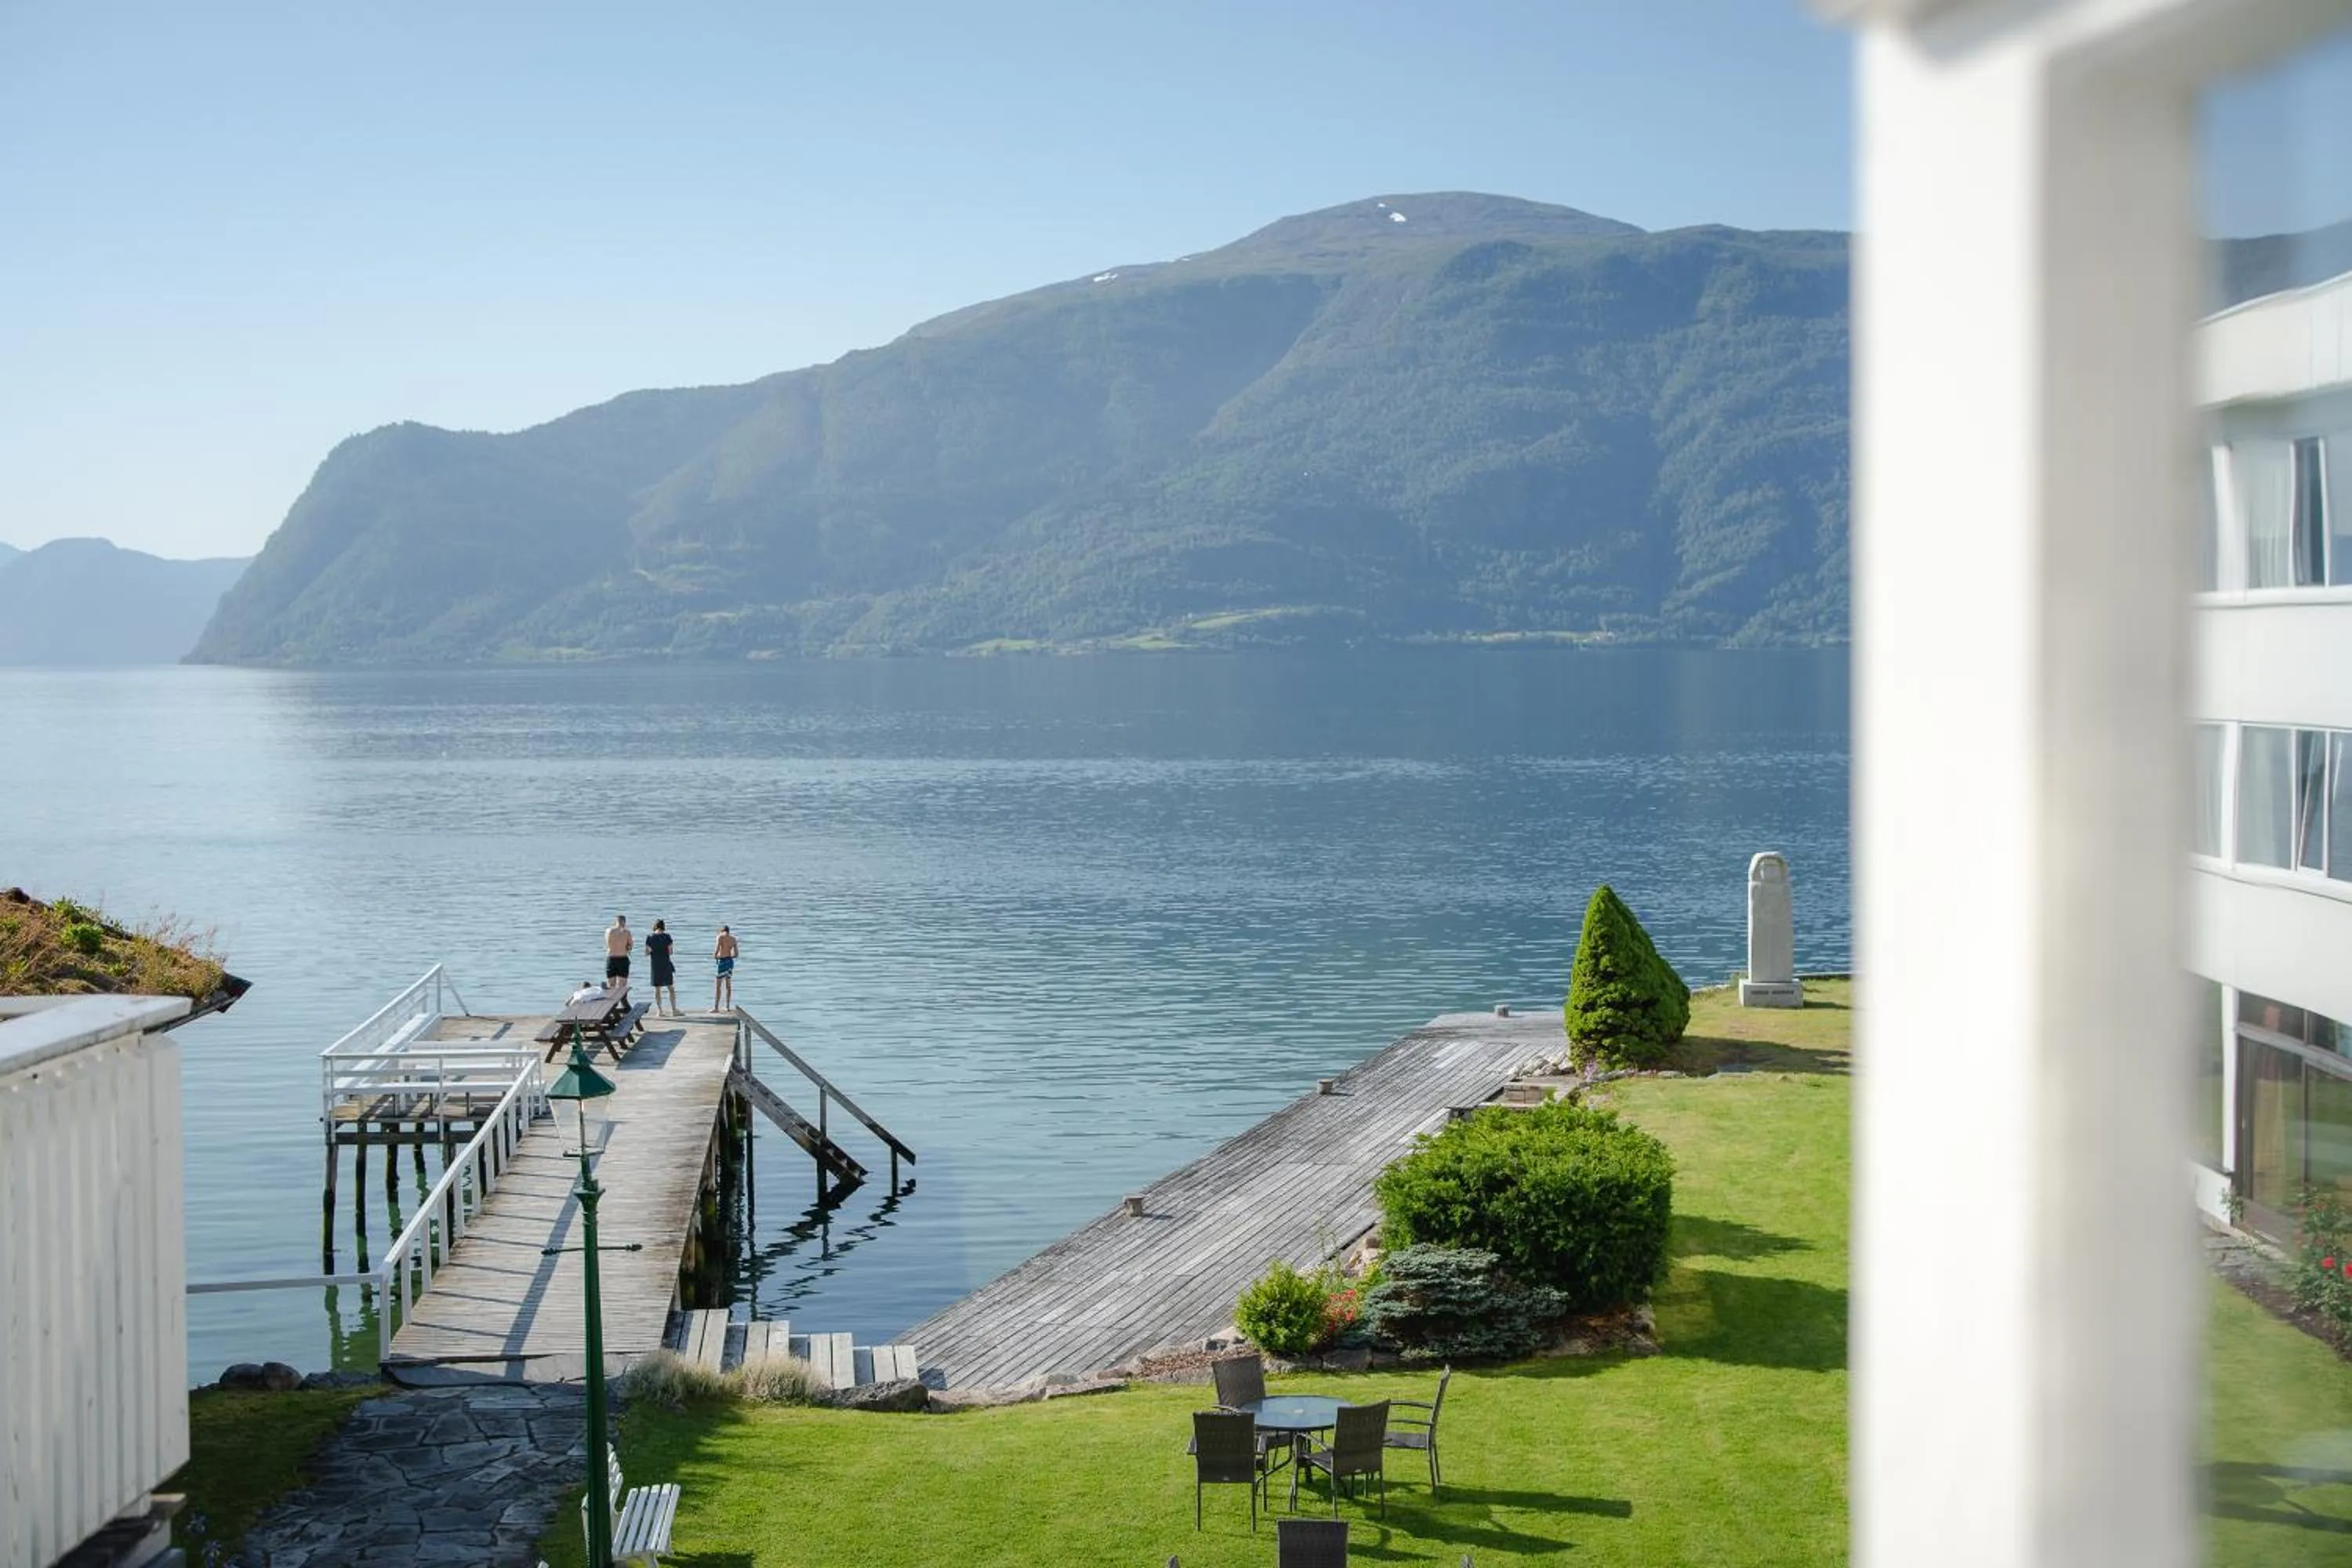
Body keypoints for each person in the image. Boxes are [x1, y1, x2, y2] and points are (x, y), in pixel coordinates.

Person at [647, 918, 677, 1016]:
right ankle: (674, 1010)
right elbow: (670, 951)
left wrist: (654, 951)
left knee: (657, 989)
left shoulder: (650, 937)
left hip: (655, 964)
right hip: (666, 964)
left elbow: (647, 952)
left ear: (655, 927)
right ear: (663, 927)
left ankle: (659, 1010)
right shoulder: (667, 937)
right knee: (670, 988)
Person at [712, 924, 739, 1011]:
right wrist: (729, 955)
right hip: (730, 962)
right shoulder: (733, 939)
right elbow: (736, 954)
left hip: (722, 962)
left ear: (722, 931)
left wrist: (716, 956)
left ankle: (716, 1007)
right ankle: (727, 1006)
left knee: (718, 985)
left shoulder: (720, 937)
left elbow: (716, 951)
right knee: (728, 984)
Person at [604, 914, 632, 986]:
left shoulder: (608, 931)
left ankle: (611, 998)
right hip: (622, 958)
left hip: (611, 958)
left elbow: (608, 945)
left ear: (615, 922)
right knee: (622, 986)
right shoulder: (627, 932)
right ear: (624, 922)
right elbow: (630, 946)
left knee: (610, 986)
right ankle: (623, 998)